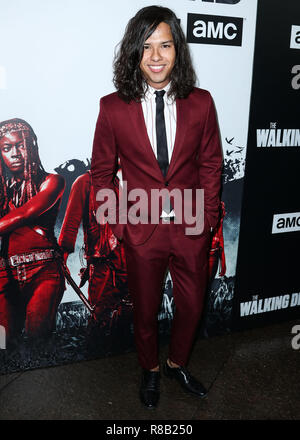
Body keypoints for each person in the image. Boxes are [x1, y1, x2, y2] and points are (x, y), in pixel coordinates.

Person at [91, 6, 223, 408]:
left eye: (165, 45)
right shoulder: (113, 107)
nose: (156, 56)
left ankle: (176, 362)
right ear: (134, 52)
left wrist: (207, 218)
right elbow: (101, 175)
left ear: (177, 50)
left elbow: (211, 163)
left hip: (190, 226)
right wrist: (121, 225)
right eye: (146, 46)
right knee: (145, 311)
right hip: (141, 230)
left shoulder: (201, 102)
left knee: (192, 306)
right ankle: (149, 369)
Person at [0, 118, 65, 346]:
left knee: (37, 340)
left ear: (33, 146)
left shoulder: (52, 181)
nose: (15, 153)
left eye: (21, 145)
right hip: (4, 275)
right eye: (6, 148)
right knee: (3, 344)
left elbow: (24, 214)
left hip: (43, 272)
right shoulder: (2, 191)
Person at [58, 171, 129, 335]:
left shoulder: (128, 180)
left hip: (132, 264)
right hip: (104, 266)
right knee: (100, 321)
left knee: (126, 320)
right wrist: (62, 260)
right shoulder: (85, 182)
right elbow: (70, 226)